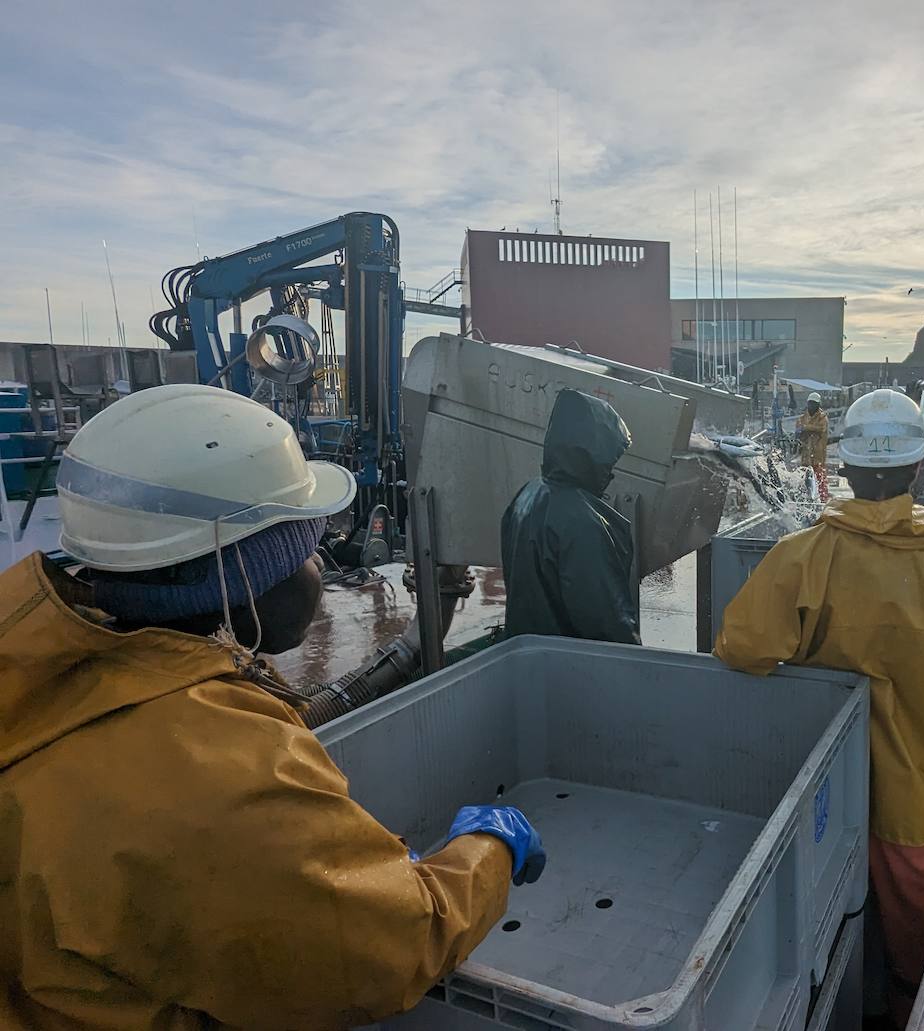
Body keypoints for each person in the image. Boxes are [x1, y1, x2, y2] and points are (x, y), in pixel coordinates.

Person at [0, 384, 544, 1029]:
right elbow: (395, 948)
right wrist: (487, 846)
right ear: (242, 577)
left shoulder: (38, 664)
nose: (317, 567)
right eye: (303, 549)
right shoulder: (217, 773)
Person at [714, 388, 924, 1025]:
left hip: (818, 786)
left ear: (843, 467)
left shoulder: (805, 555)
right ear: (918, 467)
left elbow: (741, 648)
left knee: (812, 914)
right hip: (919, 788)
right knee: (920, 941)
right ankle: (910, 1012)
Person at [501, 387, 640, 644]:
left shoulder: (527, 495)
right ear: (592, 455)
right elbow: (606, 622)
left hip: (528, 657)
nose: (610, 473)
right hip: (572, 669)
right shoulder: (583, 524)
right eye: (609, 461)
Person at [796, 390, 831, 501]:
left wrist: (805, 428)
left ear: (818, 404)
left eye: (814, 403)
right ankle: (805, 499)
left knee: (820, 479)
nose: (812, 405)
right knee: (804, 480)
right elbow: (798, 430)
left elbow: (820, 428)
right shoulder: (802, 417)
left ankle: (822, 499)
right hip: (805, 455)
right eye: (810, 403)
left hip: (818, 455)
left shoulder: (822, 418)